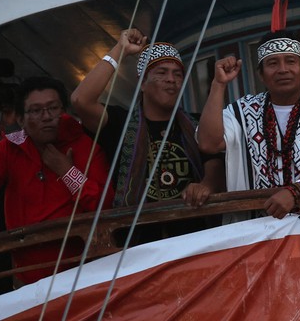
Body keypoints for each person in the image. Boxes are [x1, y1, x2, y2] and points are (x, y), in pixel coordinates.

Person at [0, 77, 113, 284]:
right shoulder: (10, 148)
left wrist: (66, 170)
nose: (46, 116)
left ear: (63, 111)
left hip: (84, 275)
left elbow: (104, 205)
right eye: (36, 110)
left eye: (53, 108)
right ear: (21, 119)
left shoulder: (85, 146)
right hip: (27, 279)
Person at [197, 31, 300, 219]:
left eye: (290, 61)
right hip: (255, 228)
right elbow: (208, 143)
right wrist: (219, 85)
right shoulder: (243, 110)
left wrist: (294, 191)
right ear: (261, 74)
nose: (283, 69)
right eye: (273, 63)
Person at [71, 29, 223, 210]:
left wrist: (205, 185)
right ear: (142, 82)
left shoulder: (198, 124)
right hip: (138, 235)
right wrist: (120, 50)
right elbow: (80, 100)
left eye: (177, 74)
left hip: (195, 233)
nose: (171, 79)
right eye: (161, 72)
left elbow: (215, 165)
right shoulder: (120, 123)